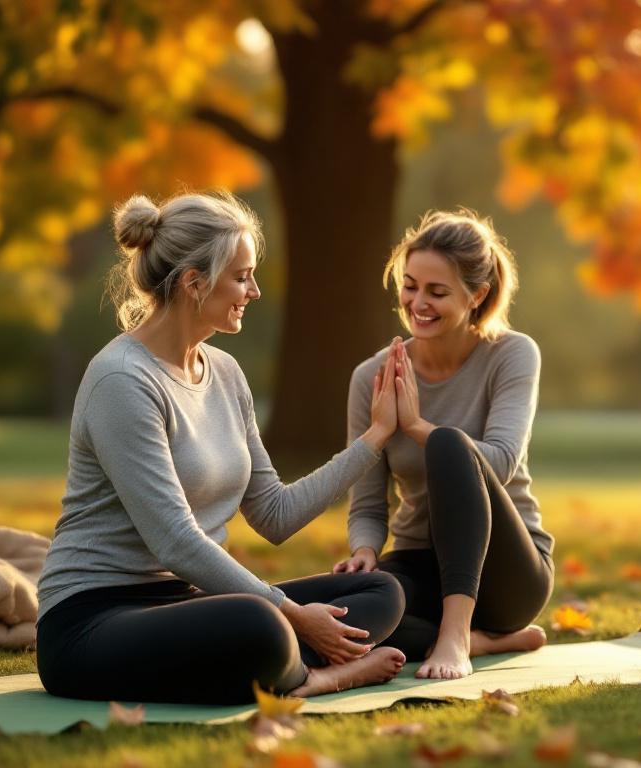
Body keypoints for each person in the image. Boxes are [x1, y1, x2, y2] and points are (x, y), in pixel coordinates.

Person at [36, 191, 408, 704]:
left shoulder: (226, 373)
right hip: (92, 621)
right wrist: (294, 615)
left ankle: (286, 665)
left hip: (188, 604)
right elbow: (175, 542)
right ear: (194, 283)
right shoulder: (121, 380)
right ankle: (319, 676)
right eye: (242, 277)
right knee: (261, 622)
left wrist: (375, 437)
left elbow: (274, 514)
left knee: (380, 591)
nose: (254, 291)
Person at [334, 209, 555, 679]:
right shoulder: (371, 377)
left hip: (507, 572)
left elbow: (501, 461)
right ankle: (486, 641)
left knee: (451, 447)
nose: (418, 303)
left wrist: (417, 427)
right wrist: (365, 550)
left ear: (477, 295)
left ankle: (456, 637)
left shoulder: (512, 354)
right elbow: (368, 504)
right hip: (420, 562)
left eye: (437, 292)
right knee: (349, 620)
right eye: (410, 286)